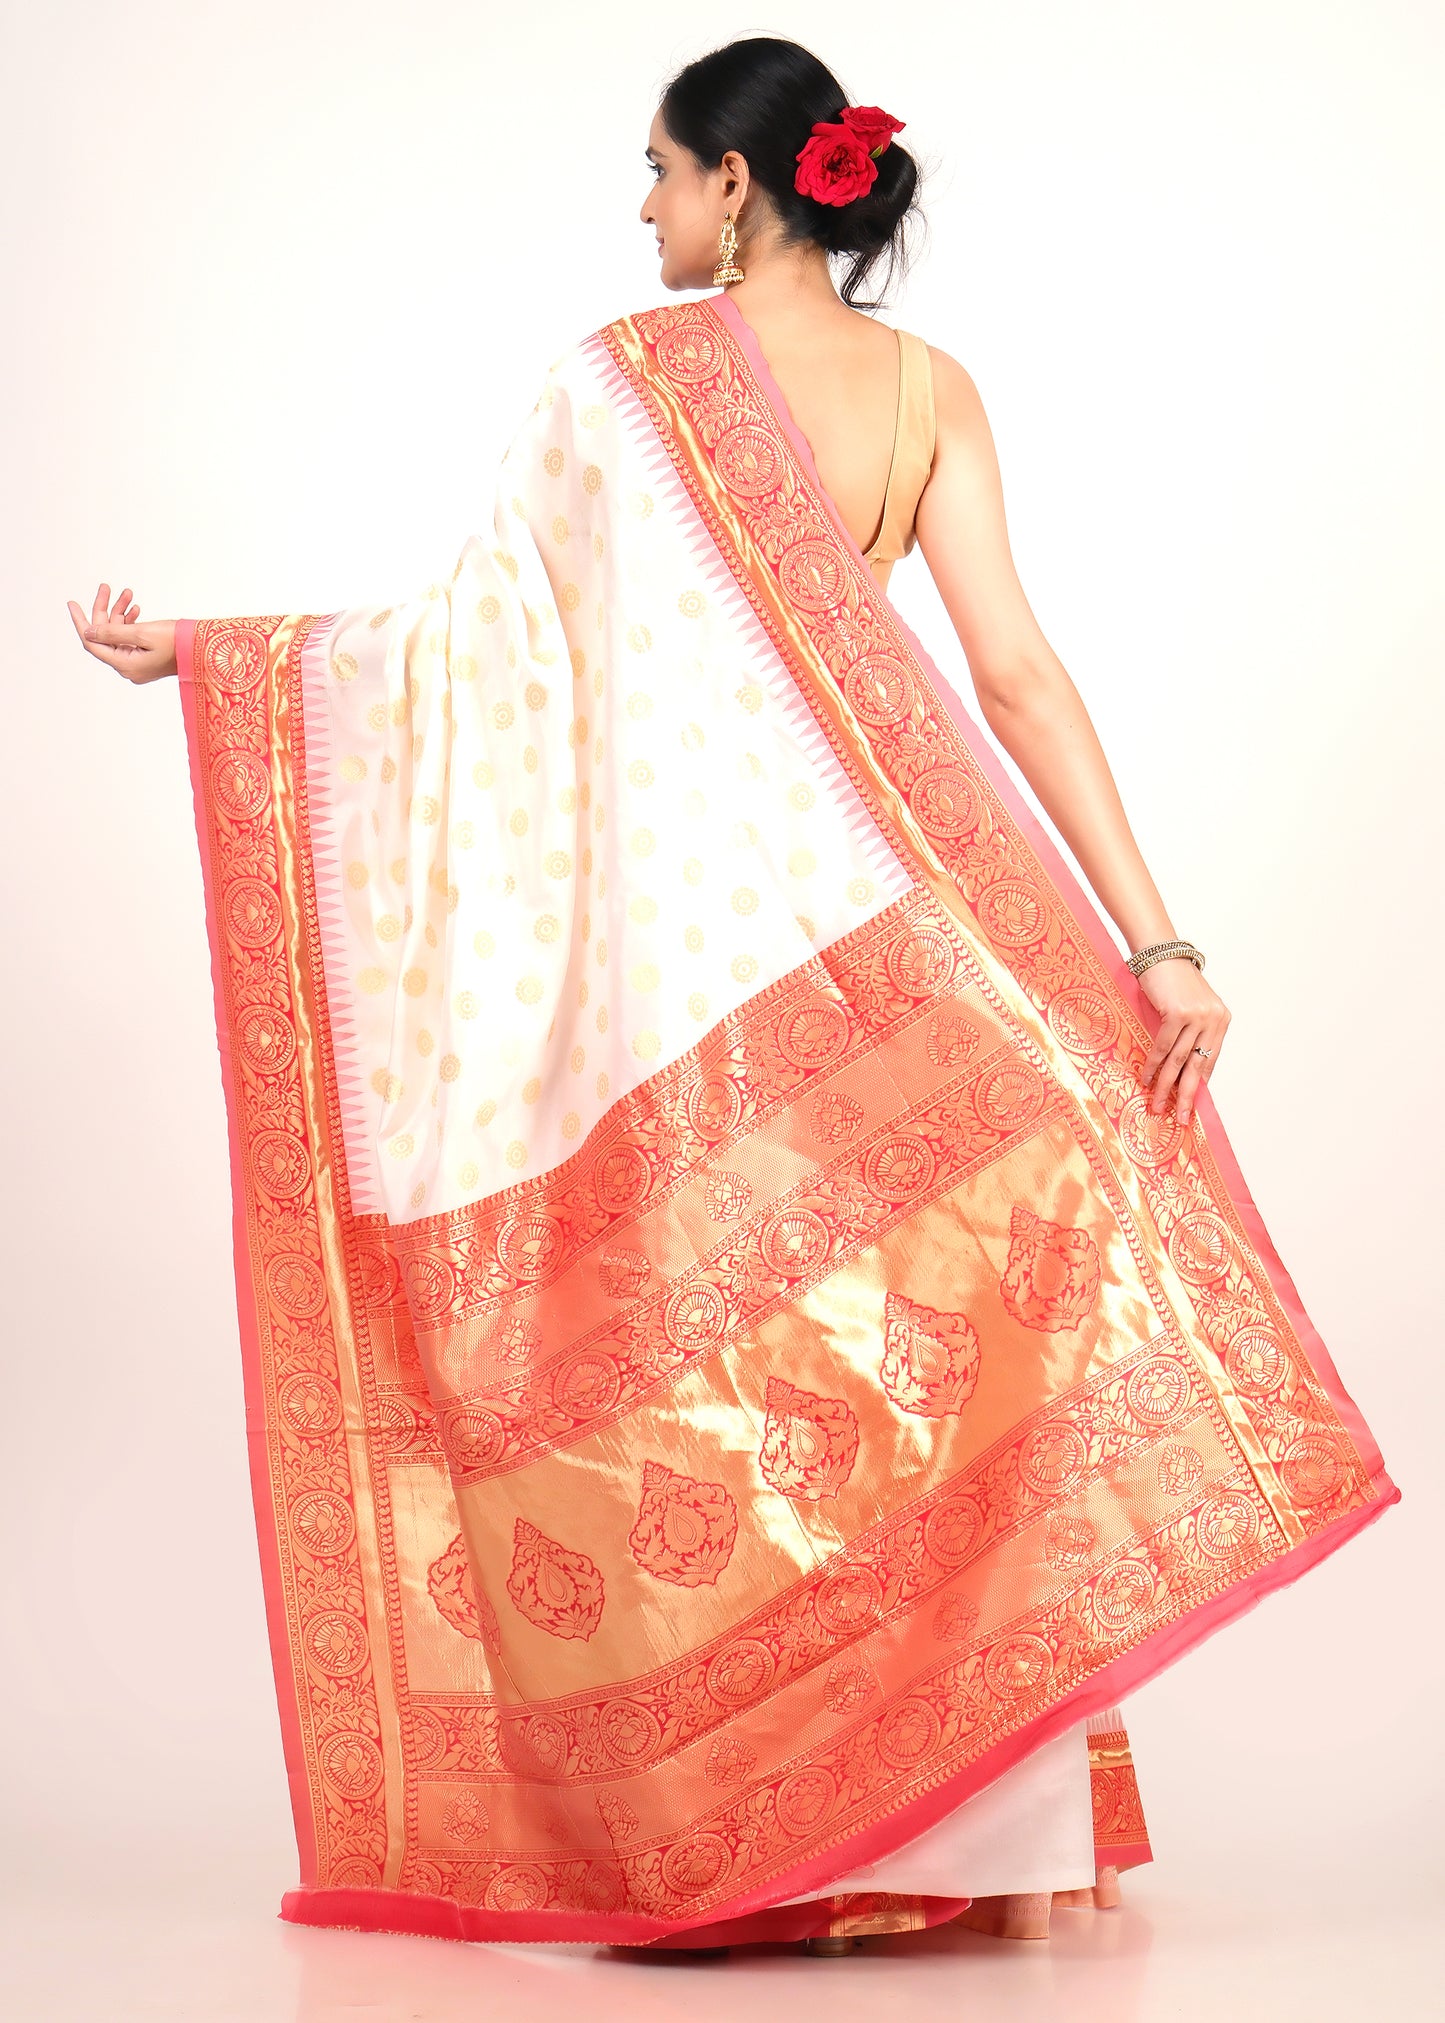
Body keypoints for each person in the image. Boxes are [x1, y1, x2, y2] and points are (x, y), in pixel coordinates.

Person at [67, 34, 1397, 1962]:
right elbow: (1015, 674)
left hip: (692, 979)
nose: (643, 204)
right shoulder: (924, 389)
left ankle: (772, 1839)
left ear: (741, 188)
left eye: (660, 168)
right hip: (910, 936)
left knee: (711, 1387)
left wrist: (211, 656)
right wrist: (1153, 939)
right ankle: (962, 1851)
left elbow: (472, 659)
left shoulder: (625, 380)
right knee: (947, 1356)